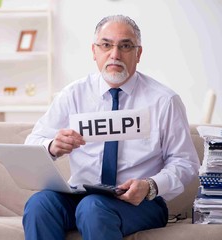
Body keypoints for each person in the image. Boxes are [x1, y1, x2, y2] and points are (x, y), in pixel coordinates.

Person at [22, 14, 200, 240]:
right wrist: (52, 146)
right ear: (94, 51)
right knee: (39, 205)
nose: (115, 55)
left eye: (125, 46)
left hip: (140, 201)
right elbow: (33, 142)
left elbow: (185, 162)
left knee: (93, 208)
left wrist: (150, 185)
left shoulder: (164, 101)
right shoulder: (72, 95)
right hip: (80, 194)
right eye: (106, 45)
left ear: (138, 53)